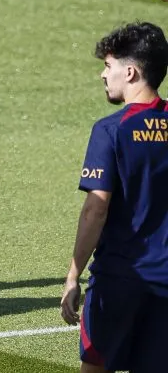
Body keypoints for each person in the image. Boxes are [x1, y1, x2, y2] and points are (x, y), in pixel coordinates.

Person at [60, 22, 168, 373]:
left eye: (109, 66)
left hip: (119, 279)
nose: (103, 75)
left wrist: (73, 275)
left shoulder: (111, 130)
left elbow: (96, 208)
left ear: (131, 71)